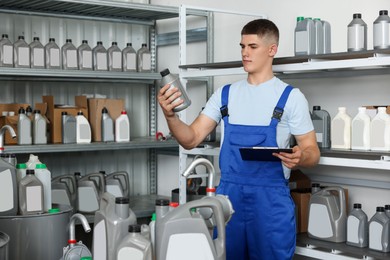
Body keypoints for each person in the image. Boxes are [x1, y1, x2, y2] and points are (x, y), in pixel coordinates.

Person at [158, 19, 320, 260]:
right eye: (242, 46)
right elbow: (190, 139)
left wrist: (300, 156)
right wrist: (170, 116)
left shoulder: (291, 97)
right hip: (228, 202)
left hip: (271, 205)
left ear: (271, 50)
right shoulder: (225, 95)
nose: (245, 52)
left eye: (252, 46)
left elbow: (312, 152)